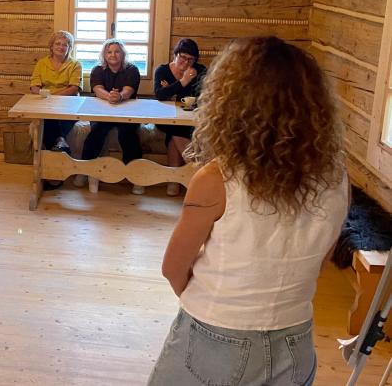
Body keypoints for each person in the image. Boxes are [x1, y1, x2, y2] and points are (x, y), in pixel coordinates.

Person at [148, 37, 348, 386]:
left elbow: (173, 268)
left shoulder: (217, 178)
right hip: (296, 339)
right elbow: (320, 260)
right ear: (315, 105)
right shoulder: (336, 177)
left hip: (216, 336)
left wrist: (213, 308)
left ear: (230, 103)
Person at [75, 39, 144, 194]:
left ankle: (136, 176)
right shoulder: (97, 69)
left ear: (123, 54)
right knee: (96, 131)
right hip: (102, 111)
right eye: (109, 52)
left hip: (127, 111)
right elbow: (97, 88)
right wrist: (110, 96)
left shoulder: (132, 69)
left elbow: (128, 90)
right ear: (104, 55)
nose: (113, 55)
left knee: (128, 134)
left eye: (117, 51)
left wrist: (120, 96)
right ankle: (84, 170)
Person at [153, 38, 206, 196]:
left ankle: (174, 181)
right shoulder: (162, 70)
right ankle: (198, 173)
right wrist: (183, 81)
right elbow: (160, 95)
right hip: (165, 117)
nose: (186, 62)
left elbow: (202, 95)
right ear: (175, 54)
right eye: (183, 57)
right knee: (175, 128)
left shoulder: (200, 71)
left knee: (174, 134)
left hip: (190, 118)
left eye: (191, 59)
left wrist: (170, 89)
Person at [29, 30, 82, 154]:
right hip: (45, 102)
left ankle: (54, 152)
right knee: (48, 115)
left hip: (69, 103)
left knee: (51, 118)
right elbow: (34, 86)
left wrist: (51, 97)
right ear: (51, 46)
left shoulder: (75, 64)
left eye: (65, 45)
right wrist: (44, 96)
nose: (61, 47)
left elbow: (74, 88)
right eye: (57, 44)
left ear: (69, 48)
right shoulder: (42, 63)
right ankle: (61, 142)